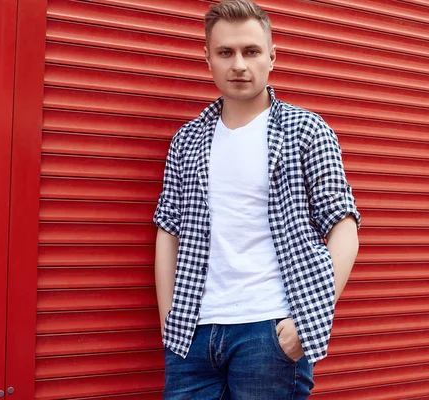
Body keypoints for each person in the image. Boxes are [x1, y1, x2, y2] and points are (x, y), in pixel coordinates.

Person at [153, 0, 360, 398]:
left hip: (269, 332)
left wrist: (308, 319)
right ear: (208, 58)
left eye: (251, 51)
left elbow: (343, 226)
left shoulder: (306, 131)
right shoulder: (188, 140)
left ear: (271, 56)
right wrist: (169, 318)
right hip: (192, 334)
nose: (239, 65)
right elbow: (168, 230)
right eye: (225, 52)